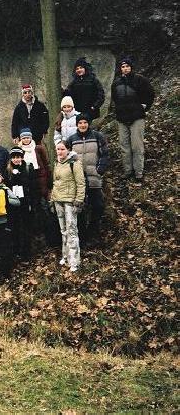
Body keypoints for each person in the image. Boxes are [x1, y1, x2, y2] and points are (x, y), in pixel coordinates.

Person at [66, 113, 109, 247]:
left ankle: (94, 233)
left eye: (85, 122)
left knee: (98, 206)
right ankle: (83, 238)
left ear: (88, 124)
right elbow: (66, 158)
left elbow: (105, 154)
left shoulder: (97, 136)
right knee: (80, 209)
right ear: (77, 125)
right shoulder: (71, 139)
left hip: (94, 178)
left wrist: (100, 169)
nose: (82, 125)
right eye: (80, 123)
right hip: (78, 182)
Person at [110, 57, 155, 181]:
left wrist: (145, 106)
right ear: (120, 69)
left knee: (137, 146)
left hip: (137, 118)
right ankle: (128, 171)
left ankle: (139, 173)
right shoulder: (116, 82)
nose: (125, 69)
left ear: (131, 67)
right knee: (124, 146)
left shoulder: (140, 80)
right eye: (123, 67)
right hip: (122, 118)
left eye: (127, 66)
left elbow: (150, 93)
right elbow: (114, 98)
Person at [49, 141, 86, 272]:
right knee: (63, 230)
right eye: (58, 149)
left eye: (62, 149)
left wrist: (79, 201)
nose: (59, 152)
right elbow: (55, 183)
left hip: (70, 201)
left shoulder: (74, 164)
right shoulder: (57, 163)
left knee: (72, 230)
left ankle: (74, 261)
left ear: (68, 150)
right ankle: (65, 256)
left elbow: (81, 183)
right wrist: (52, 199)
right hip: (58, 200)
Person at [18, 127, 50, 232]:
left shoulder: (38, 149)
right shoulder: (19, 151)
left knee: (43, 206)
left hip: (39, 178)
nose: (26, 140)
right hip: (27, 180)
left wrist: (47, 181)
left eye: (28, 137)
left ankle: (46, 230)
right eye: (24, 138)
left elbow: (46, 164)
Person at [5, 147, 33, 260]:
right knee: (14, 228)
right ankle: (15, 251)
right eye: (14, 157)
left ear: (22, 157)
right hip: (12, 204)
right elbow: (6, 186)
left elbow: (32, 184)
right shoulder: (7, 170)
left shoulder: (27, 168)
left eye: (18, 157)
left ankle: (26, 252)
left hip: (24, 202)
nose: (16, 160)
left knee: (25, 228)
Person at [63, 57, 105, 121]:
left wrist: (94, 107)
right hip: (77, 112)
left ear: (85, 68)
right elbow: (68, 94)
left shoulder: (93, 80)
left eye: (81, 68)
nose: (79, 70)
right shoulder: (74, 82)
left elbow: (101, 95)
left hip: (90, 112)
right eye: (77, 69)